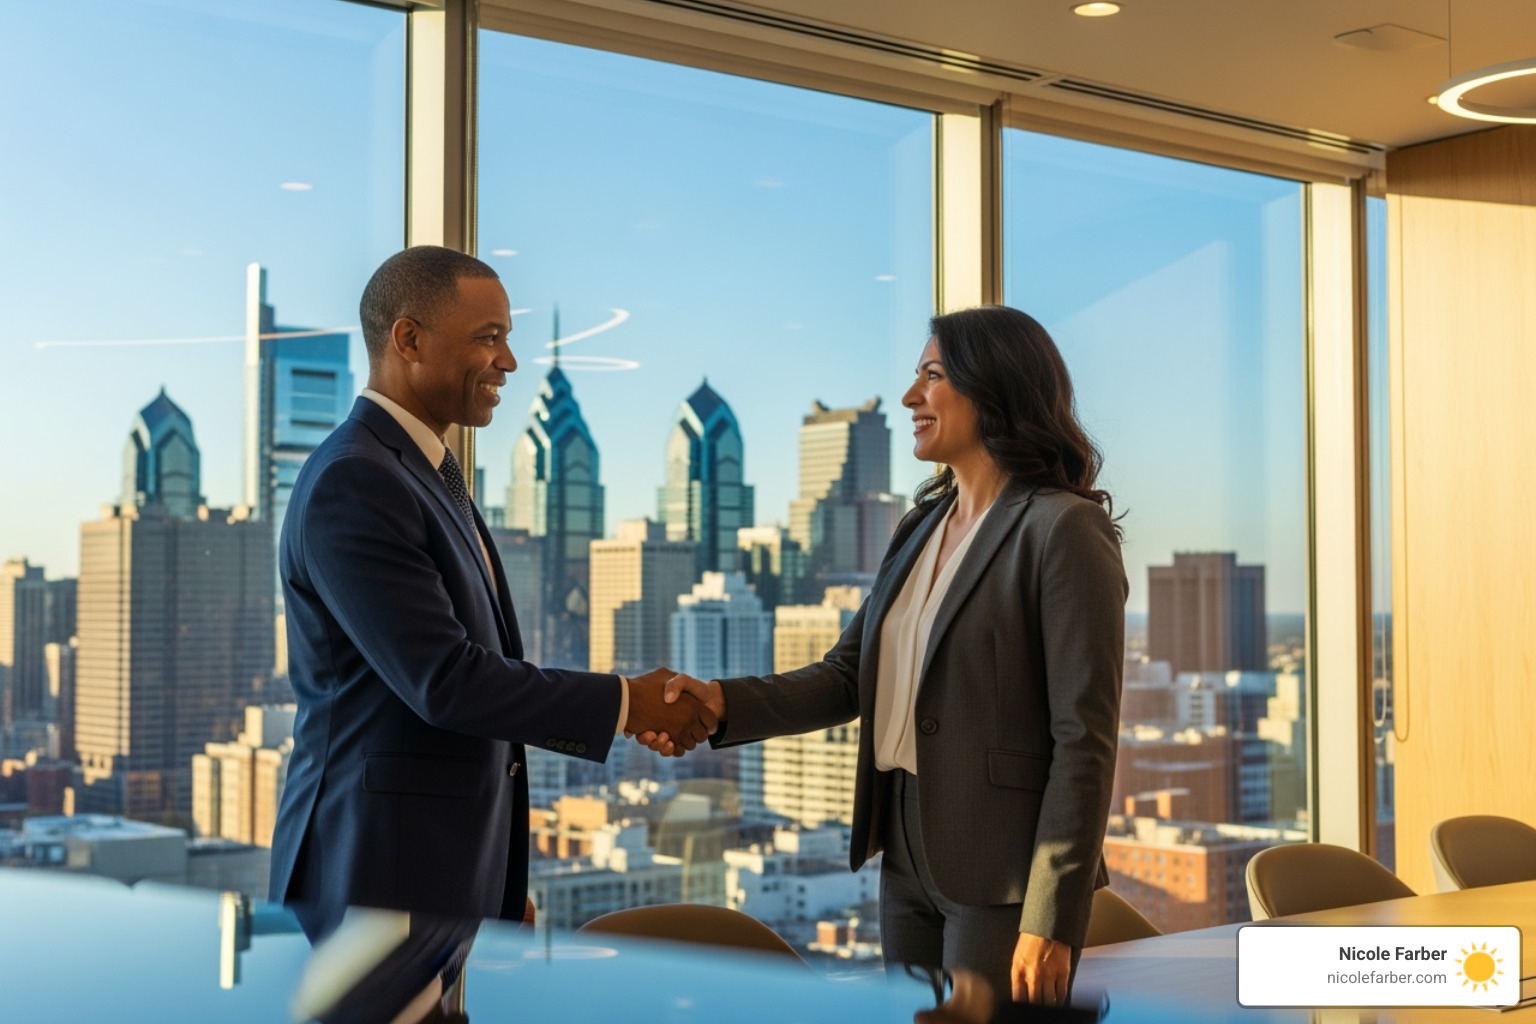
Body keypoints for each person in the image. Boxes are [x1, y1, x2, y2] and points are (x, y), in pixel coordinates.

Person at [642, 306, 1126, 1007]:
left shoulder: (1062, 528)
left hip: (1006, 867)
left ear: (994, 388)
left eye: (932, 376)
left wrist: (1053, 917)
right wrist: (721, 704)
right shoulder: (922, 523)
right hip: (903, 848)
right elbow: (848, 674)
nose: (910, 398)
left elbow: (1084, 739)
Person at [268, 246, 717, 961]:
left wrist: (497, 884)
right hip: (369, 879)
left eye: (507, 338)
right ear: (408, 340)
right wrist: (629, 703)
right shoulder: (358, 479)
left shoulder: (426, 473)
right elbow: (445, 681)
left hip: (436, 880)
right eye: (489, 337)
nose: (508, 361)